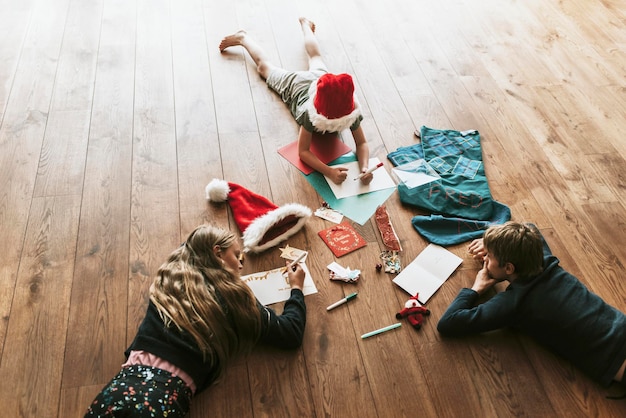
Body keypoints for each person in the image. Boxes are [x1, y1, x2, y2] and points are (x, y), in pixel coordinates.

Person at [85, 224, 307, 417]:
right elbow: (290, 333)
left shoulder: (169, 282)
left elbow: (190, 245)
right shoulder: (234, 297)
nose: (241, 265)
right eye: (237, 256)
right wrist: (296, 288)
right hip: (160, 395)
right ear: (217, 253)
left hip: (121, 385)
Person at [437, 221, 626, 388]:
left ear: (509, 268)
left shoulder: (513, 303)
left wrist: (476, 289)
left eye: (490, 256)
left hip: (614, 358)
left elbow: (448, 323)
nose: (485, 258)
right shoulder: (542, 258)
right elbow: (529, 226)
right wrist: (492, 242)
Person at [219, 17, 373, 186]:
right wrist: (328, 171)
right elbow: (303, 151)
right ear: (320, 114)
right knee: (264, 67)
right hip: (296, 85)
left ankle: (306, 25)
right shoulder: (310, 113)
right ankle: (243, 38)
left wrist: (364, 167)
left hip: (321, 78)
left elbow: (362, 142)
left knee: (315, 57)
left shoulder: (350, 111)